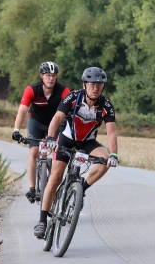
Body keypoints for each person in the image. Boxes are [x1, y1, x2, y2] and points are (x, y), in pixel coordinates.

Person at [33, 67, 119, 239]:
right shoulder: (73, 97)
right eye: (92, 84)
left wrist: (114, 154)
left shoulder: (106, 106)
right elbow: (57, 118)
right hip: (66, 139)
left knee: (104, 161)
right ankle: (42, 221)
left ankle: (81, 189)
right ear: (84, 85)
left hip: (87, 142)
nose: (96, 88)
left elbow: (111, 132)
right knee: (56, 177)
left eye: (99, 85)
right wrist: (50, 138)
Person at [12, 62, 71, 203]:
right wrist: (16, 130)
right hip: (36, 123)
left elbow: (71, 111)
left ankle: (55, 181)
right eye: (48, 76)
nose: (51, 79)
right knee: (33, 153)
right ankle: (32, 188)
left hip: (55, 124)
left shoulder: (63, 91)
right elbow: (22, 110)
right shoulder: (32, 90)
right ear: (42, 76)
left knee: (58, 153)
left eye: (54, 76)